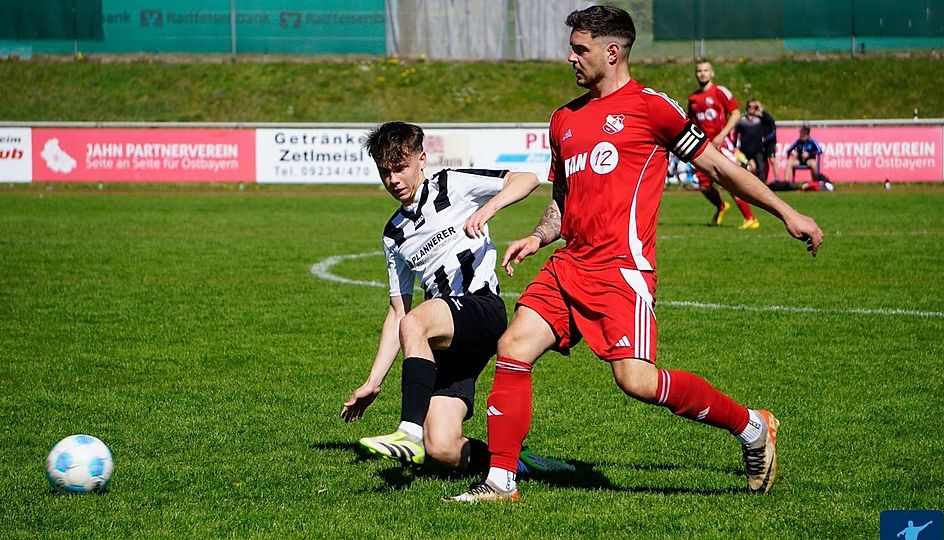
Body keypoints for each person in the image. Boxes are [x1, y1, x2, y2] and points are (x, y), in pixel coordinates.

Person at [447, 5, 823, 503]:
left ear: (612, 52)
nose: (571, 58)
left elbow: (723, 167)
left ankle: (752, 426)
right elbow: (562, 200)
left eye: (580, 49)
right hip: (569, 265)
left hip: (621, 271)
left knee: (638, 381)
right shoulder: (564, 119)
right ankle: (500, 482)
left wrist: (785, 211)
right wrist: (538, 237)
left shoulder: (652, 108)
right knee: (513, 347)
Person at [340, 121, 572, 477]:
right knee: (444, 448)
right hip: (445, 333)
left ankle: (408, 433)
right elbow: (396, 311)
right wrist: (373, 382)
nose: (393, 180)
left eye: (400, 168)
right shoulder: (394, 234)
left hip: (481, 309)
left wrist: (488, 209)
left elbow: (526, 179)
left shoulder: (451, 183)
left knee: (416, 321)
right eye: (385, 172)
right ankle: (518, 463)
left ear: (422, 159)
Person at [688, 59, 760, 230]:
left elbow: (735, 114)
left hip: (721, 144)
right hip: (703, 147)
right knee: (703, 185)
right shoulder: (693, 99)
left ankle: (750, 218)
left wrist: (722, 135)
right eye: (699, 71)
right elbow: (692, 122)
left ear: (712, 73)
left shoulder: (720, 92)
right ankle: (721, 206)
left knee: (730, 181)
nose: (702, 73)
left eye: (705, 70)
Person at [783, 125, 833, 192]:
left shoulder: (812, 141)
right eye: (800, 134)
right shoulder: (798, 141)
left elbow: (820, 151)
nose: (801, 136)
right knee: (789, 162)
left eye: (802, 135)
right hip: (800, 160)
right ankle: (787, 184)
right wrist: (793, 153)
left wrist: (809, 154)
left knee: (813, 163)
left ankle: (816, 183)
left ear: (807, 135)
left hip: (809, 160)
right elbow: (788, 150)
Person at [734, 99, 768, 181]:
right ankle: (742, 186)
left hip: (757, 148)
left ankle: (762, 187)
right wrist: (734, 145)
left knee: (760, 168)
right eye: (750, 106)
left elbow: (770, 123)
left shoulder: (760, 119)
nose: (752, 108)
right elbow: (736, 133)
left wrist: (761, 110)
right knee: (743, 168)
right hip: (745, 149)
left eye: (754, 107)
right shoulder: (742, 119)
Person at [756, 100, 779, 182]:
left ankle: (777, 179)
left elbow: (773, 131)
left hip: (770, 142)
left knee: (772, 159)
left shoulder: (767, 117)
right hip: (760, 143)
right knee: (763, 162)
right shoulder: (755, 118)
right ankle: (764, 180)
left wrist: (765, 138)